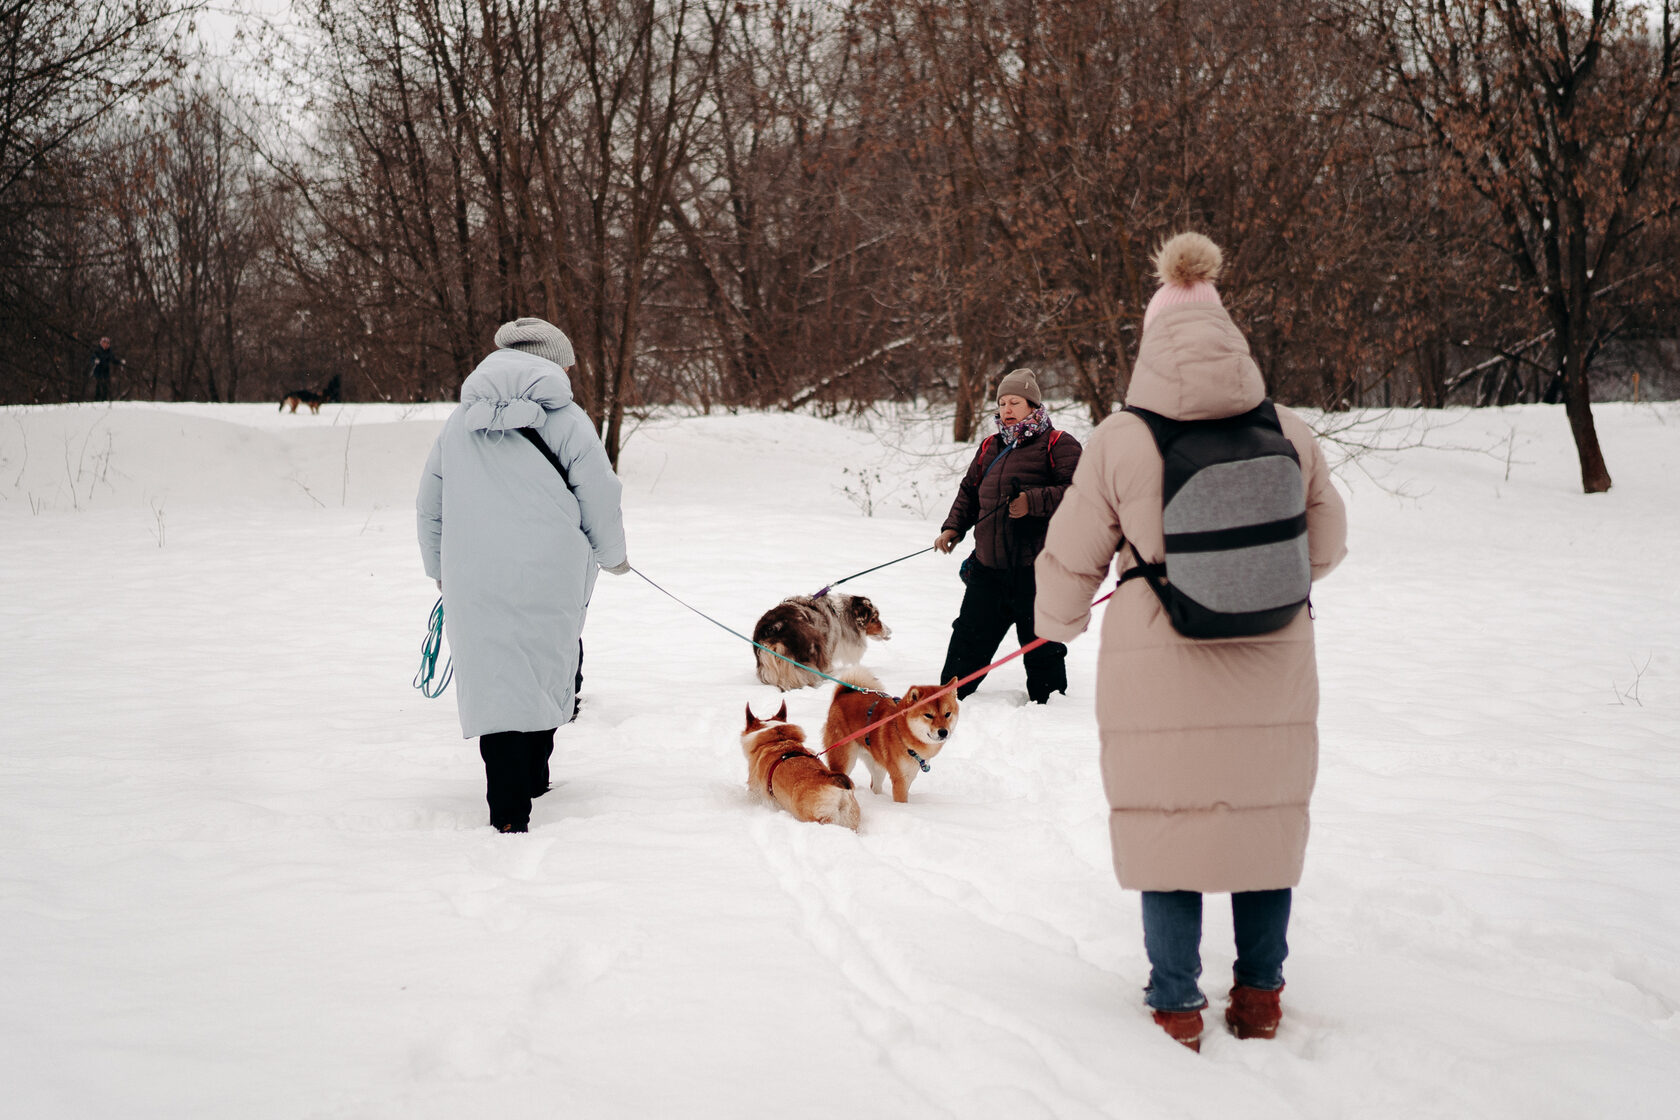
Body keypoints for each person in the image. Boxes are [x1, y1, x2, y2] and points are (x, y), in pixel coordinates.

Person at [1033, 232, 1347, 1051]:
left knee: (1167, 825)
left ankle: (1176, 1004)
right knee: (1260, 829)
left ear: (1151, 342)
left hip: (1156, 661)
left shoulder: (1119, 439)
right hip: (1273, 657)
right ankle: (1260, 997)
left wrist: (1054, 627)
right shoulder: (1291, 429)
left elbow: (1070, 556)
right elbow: (1328, 545)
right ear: (1229, 335)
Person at [416, 317, 629, 834]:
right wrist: (614, 555)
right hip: (550, 571)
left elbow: (430, 503)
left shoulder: (457, 423)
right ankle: (530, 781)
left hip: (473, 575)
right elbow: (599, 492)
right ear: (549, 361)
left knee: (495, 679)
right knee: (545, 665)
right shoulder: (570, 421)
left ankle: (510, 802)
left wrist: (438, 567)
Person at [934, 369, 1082, 704]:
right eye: (1001, 403)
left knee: (1041, 640)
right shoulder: (991, 446)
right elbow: (969, 492)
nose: (1006, 409)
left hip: (1037, 566)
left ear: (1033, 405)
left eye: (1014, 401)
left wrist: (1033, 502)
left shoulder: (1058, 444)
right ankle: (949, 699)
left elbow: (1080, 492)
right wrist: (953, 526)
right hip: (989, 565)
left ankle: (1051, 708)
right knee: (968, 637)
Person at [89, 337, 123, 401]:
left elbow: (113, 359)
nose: (106, 345)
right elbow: (92, 358)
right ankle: (97, 399)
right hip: (98, 370)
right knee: (98, 385)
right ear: (101, 343)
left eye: (107, 343)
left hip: (105, 370)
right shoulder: (97, 350)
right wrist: (95, 361)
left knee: (105, 385)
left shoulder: (109, 351)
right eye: (104, 343)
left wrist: (120, 362)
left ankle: (104, 399)